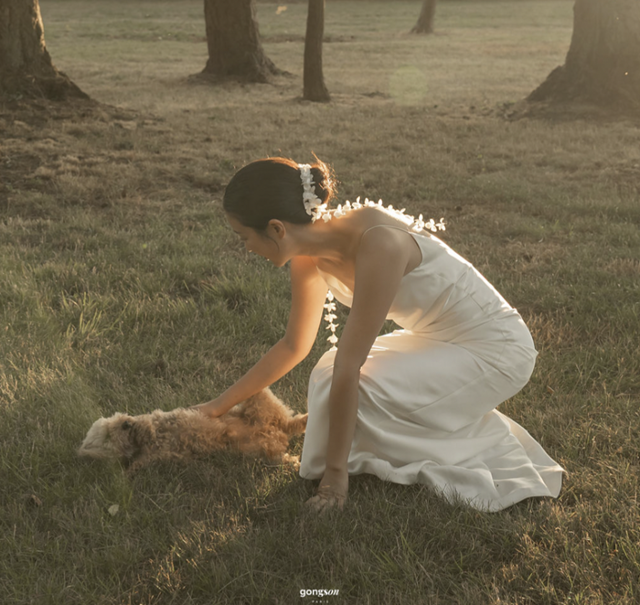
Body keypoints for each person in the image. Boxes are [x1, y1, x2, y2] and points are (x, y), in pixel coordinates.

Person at [193, 157, 563, 513]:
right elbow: (294, 345)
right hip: (438, 340)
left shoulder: (379, 242)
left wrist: (335, 478)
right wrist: (216, 407)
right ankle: (420, 429)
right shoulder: (308, 254)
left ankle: (462, 442)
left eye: (244, 237)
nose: (245, 248)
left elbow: (351, 364)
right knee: (325, 376)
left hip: (497, 351)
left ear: (277, 228)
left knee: (355, 383)